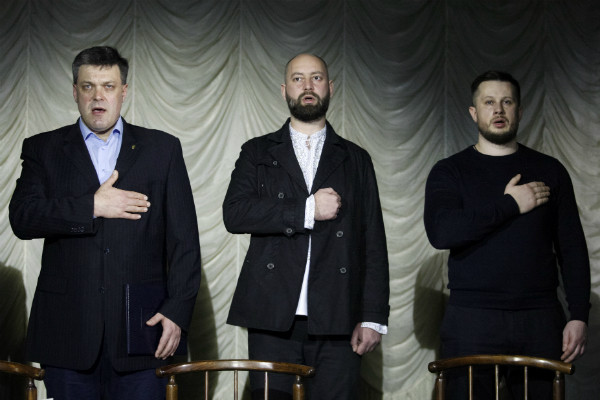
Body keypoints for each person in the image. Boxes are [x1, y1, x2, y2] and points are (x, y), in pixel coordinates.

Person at [9, 46, 202, 400]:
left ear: (123, 91)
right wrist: (92, 206)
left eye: (108, 86)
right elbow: (22, 218)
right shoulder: (43, 148)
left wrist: (177, 312)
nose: (98, 96)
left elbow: (185, 243)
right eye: (88, 86)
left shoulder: (162, 149)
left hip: (143, 333)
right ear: (75, 91)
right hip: (67, 334)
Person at [222, 53, 390, 399]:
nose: (308, 86)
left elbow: (372, 241)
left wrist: (373, 317)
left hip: (338, 315)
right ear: (284, 89)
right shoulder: (257, 151)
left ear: (330, 87)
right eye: (298, 79)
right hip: (272, 315)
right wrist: (307, 209)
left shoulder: (356, 158)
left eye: (317, 78)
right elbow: (235, 214)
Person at [424, 70, 590, 399]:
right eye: (489, 102)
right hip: (471, 317)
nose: (498, 110)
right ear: (474, 113)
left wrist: (579, 316)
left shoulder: (550, 170)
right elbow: (442, 232)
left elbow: (572, 248)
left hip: (539, 317)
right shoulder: (450, 170)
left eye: (507, 102)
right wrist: (510, 204)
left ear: (519, 111)